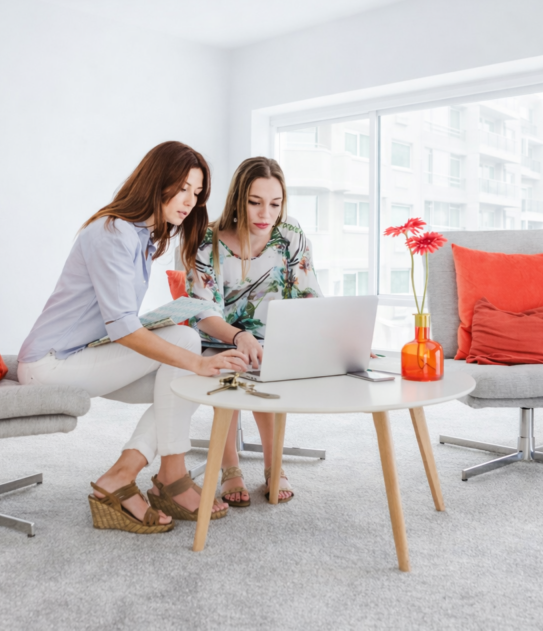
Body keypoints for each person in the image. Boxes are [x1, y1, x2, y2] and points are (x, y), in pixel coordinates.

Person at [17, 142, 249, 534]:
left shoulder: (140, 236)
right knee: (187, 350)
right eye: (181, 189)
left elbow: (118, 322)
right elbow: (122, 328)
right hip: (51, 364)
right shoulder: (112, 233)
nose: (189, 201)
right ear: (156, 182)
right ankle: (155, 477)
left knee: (179, 379)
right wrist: (195, 361)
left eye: (196, 193)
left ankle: (145, 475)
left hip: (82, 356)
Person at [187, 156, 322, 506]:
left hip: (274, 340)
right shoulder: (208, 242)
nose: (266, 214)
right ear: (238, 200)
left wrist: (336, 338)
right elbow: (202, 311)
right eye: (255, 202)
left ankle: (272, 463)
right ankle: (230, 465)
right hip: (219, 339)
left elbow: (307, 294)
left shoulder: (289, 236)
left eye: (275, 204)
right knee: (233, 368)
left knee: (271, 368)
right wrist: (238, 336)